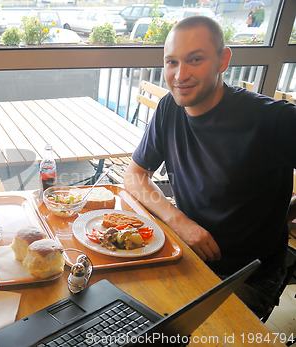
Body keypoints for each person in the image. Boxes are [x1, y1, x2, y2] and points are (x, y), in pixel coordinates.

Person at [124, 16, 296, 319]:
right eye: (172, 62)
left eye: (195, 60)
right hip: (186, 253)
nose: (180, 75)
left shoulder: (271, 119)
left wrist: (289, 210)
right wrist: (180, 222)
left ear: (223, 60)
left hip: (246, 275)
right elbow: (135, 176)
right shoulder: (169, 109)